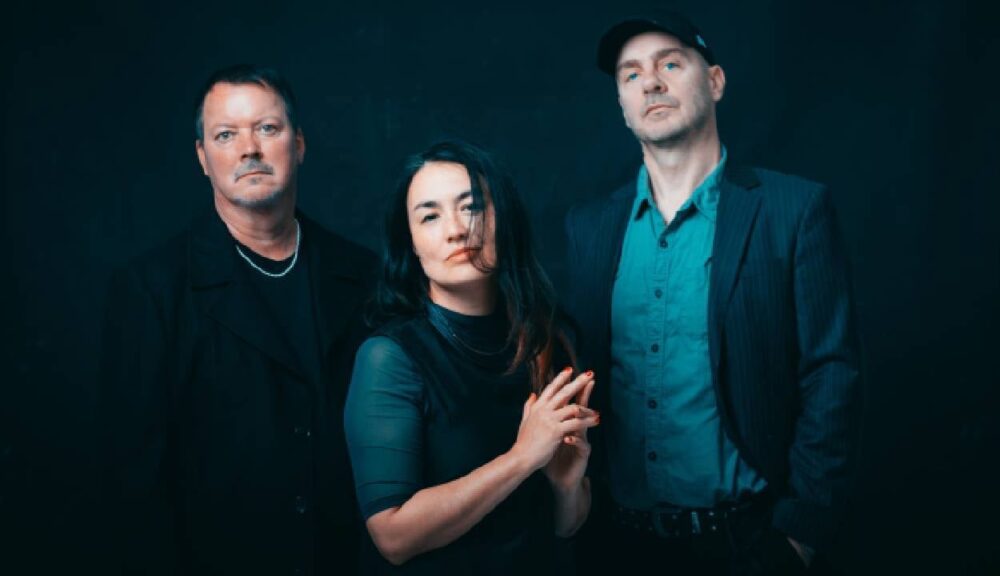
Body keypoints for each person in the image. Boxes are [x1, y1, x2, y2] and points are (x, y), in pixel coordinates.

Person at [564, 11, 861, 574]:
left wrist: (801, 533)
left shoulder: (793, 211)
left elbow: (832, 373)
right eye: (631, 75)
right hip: (618, 545)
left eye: (671, 64)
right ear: (622, 106)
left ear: (716, 81)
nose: (651, 83)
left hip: (748, 544)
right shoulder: (588, 228)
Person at [97, 65, 377, 575]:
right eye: (226, 135)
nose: (249, 149)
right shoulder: (151, 289)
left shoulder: (363, 274)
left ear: (299, 144)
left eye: (267, 128)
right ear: (203, 157)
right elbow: (134, 482)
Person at [344, 140, 598, 574]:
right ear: (411, 244)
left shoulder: (548, 341)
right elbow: (393, 537)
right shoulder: (389, 357)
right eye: (430, 216)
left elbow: (565, 528)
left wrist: (567, 486)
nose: (457, 230)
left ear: (502, 219)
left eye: (472, 207)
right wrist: (522, 458)